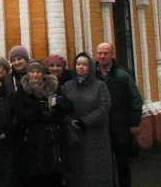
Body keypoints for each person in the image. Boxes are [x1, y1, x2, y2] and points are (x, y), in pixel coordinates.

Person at [13, 59, 73, 187]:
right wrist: (38, 114)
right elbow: (19, 111)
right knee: (35, 176)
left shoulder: (53, 88)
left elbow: (68, 105)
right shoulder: (22, 91)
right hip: (32, 139)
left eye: (38, 72)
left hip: (53, 139)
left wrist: (56, 109)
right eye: (32, 72)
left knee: (55, 176)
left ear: (43, 74)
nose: (35, 75)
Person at [94, 42, 142, 187]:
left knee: (122, 163)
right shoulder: (92, 75)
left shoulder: (122, 74)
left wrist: (134, 123)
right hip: (100, 126)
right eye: (100, 53)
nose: (102, 56)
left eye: (106, 53)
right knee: (103, 164)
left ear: (112, 54)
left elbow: (135, 99)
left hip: (120, 126)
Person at [62, 53, 112, 187]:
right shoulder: (67, 86)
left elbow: (104, 107)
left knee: (96, 172)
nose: (81, 67)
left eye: (84, 65)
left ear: (90, 68)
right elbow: (60, 107)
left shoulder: (99, 86)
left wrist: (84, 122)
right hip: (74, 135)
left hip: (95, 135)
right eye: (78, 64)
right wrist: (69, 120)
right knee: (76, 171)